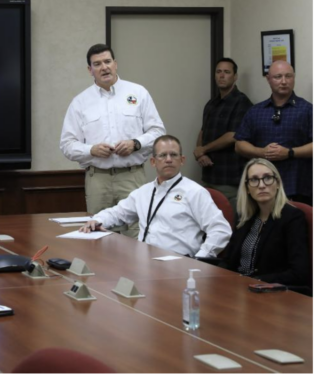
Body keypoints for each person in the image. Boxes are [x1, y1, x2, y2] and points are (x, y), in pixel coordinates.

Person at [60, 44, 165, 238]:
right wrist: (91, 150)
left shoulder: (138, 93)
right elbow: (67, 145)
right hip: (97, 179)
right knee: (97, 234)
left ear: (115, 64)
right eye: (97, 64)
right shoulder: (80, 102)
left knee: (137, 233)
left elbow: (158, 132)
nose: (104, 67)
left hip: (132, 176)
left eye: (107, 62)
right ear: (89, 70)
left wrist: (136, 143)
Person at [79, 136, 232, 258]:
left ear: (182, 160)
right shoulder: (144, 192)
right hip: (144, 263)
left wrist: (200, 259)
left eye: (173, 155)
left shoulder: (194, 192)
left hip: (179, 265)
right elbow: (118, 212)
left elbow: (220, 229)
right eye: (162, 155)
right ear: (153, 162)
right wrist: (97, 220)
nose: (169, 159)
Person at [219, 159, 310, 287]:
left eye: (267, 178)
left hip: (270, 293)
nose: (261, 185)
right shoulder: (244, 217)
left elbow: (299, 273)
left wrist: (255, 281)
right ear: (248, 188)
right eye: (254, 180)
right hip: (238, 288)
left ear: (278, 183)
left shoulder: (292, 218)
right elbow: (228, 261)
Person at [235, 60, 312, 205]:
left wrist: (290, 152)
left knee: (295, 225)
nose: (284, 81)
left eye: (288, 76)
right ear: (268, 79)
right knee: (261, 226)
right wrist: (261, 152)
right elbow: (239, 145)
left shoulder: (307, 110)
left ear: (294, 78)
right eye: (278, 77)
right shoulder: (255, 111)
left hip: (297, 187)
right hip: (261, 188)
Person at [194, 58, 253, 211]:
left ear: (235, 76)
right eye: (219, 72)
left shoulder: (242, 102)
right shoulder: (211, 104)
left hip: (229, 180)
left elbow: (233, 135)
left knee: (230, 224)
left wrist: (204, 149)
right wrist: (200, 152)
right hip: (208, 176)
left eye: (227, 72)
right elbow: (203, 130)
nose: (222, 75)